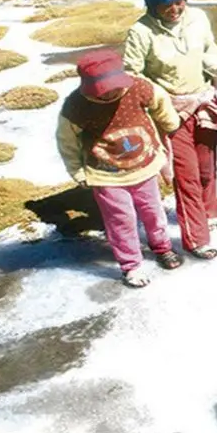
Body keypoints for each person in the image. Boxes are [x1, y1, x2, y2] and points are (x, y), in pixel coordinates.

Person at [122, 0, 217, 260]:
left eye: (179, 1)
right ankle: (196, 239)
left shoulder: (198, 18)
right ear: (152, 4)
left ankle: (208, 212)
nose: (175, 8)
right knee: (187, 175)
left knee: (207, 166)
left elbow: (208, 51)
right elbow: (132, 74)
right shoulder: (141, 32)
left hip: (204, 101)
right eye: (166, 4)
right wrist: (159, 98)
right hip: (170, 112)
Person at [56, 49, 183, 288]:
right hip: (106, 175)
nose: (113, 93)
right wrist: (77, 172)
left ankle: (162, 247)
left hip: (144, 166)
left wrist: (170, 123)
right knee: (120, 220)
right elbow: (67, 142)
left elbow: (160, 100)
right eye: (105, 90)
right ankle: (131, 265)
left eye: (116, 86)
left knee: (153, 211)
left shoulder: (139, 88)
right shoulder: (75, 106)